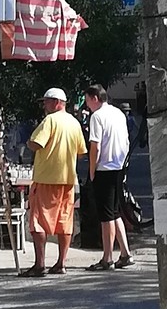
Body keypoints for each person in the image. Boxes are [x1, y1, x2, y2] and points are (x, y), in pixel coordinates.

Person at [25, 85, 86, 276]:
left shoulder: (49, 121)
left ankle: (40, 264)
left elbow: (36, 144)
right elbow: (82, 152)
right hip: (68, 179)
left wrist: (28, 143)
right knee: (65, 221)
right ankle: (61, 263)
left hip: (46, 178)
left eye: (46, 102)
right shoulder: (74, 123)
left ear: (57, 103)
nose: (44, 105)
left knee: (38, 221)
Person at [83, 84, 133, 270]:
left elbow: (94, 145)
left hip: (104, 167)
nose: (86, 105)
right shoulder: (118, 113)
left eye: (87, 100)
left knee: (106, 216)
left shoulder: (97, 116)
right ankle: (126, 253)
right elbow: (126, 140)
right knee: (115, 211)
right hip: (119, 166)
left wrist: (92, 169)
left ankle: (107, 257)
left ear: (94, 98)